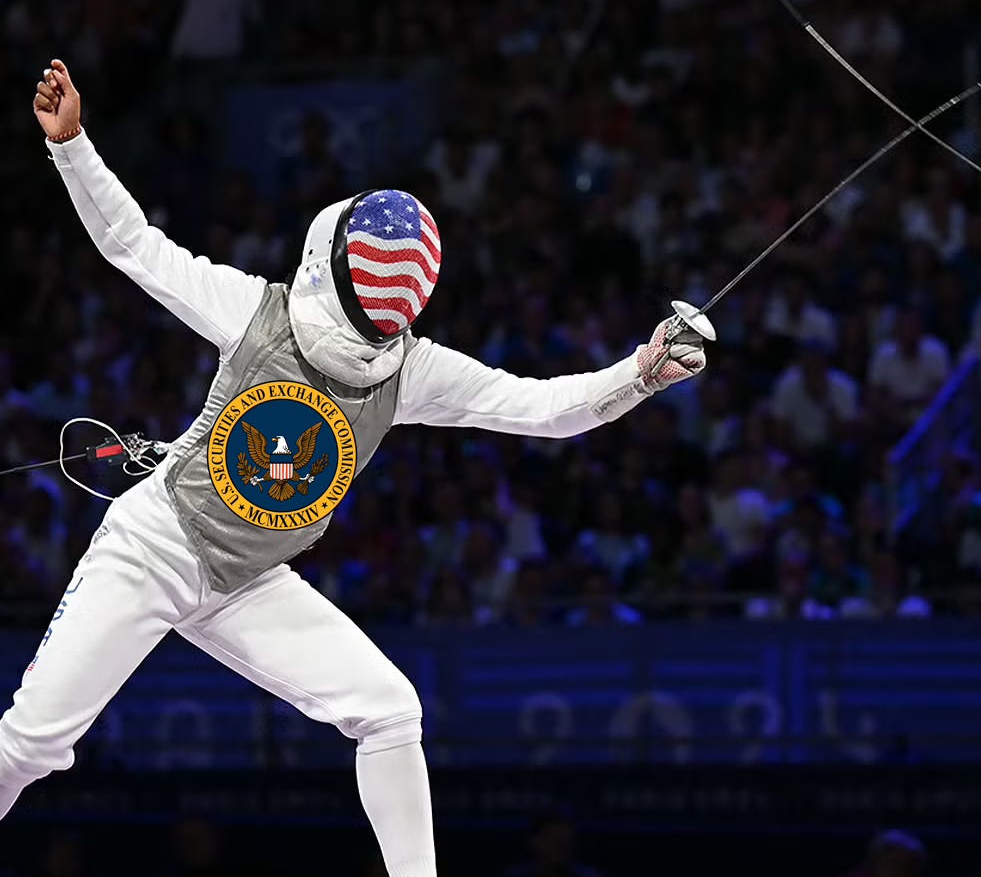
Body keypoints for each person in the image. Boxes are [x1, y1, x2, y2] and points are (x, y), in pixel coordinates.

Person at [5, 61, 708, 877]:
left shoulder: (280, 316)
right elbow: (548, 410)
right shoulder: (388, 361)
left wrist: (72, 144)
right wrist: (641, 374)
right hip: (153, 549)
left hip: (247, 582)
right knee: (33, 741)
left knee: (386, 710)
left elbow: (132, 243)